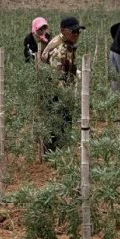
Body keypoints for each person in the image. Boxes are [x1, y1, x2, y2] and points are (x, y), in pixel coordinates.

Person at [40, 17, 84, 151]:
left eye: (78, 32)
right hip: (56, 93)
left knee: (63, 124)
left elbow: (65, 66)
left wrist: (76, 72)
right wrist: (66, 97)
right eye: (73, 31)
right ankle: (52, 154)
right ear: (63, 31)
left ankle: (59, 151)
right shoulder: (59, 49)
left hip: (61, 90)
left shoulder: (66, 44)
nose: (76, 34)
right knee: (57, 124)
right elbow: (56, 78)